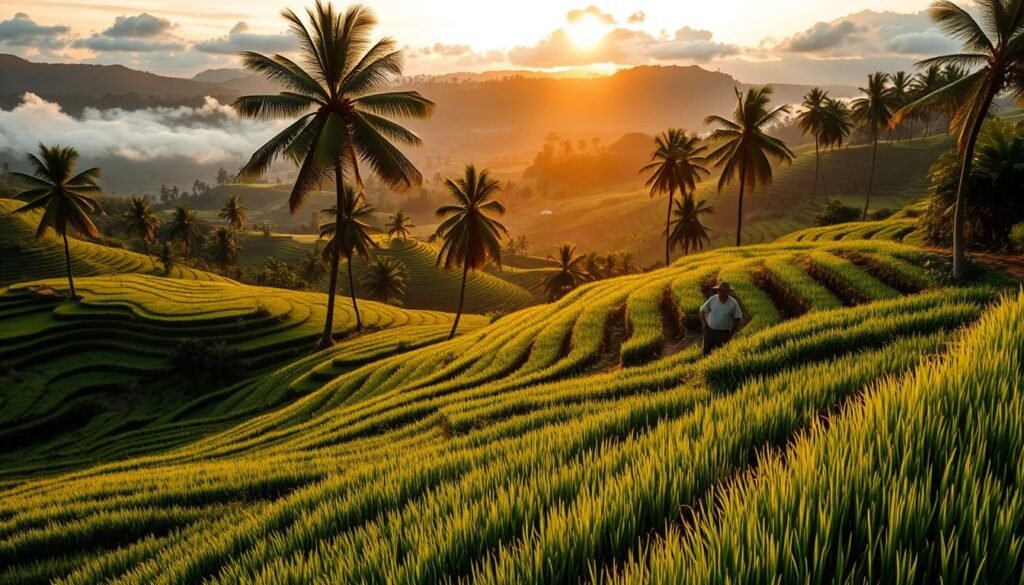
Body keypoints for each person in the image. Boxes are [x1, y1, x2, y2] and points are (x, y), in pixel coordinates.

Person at [699, 281, 744, 355]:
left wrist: (733, 330)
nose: (721, 292)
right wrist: (704, 324)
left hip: (724, 333)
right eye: (720, 291)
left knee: (720, 353)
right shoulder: (713, 299)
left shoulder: (733, 303)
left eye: (723, 291)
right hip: (710, 331)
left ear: (728, 292)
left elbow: (737, 317)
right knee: (706, 351)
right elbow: (702, 310)